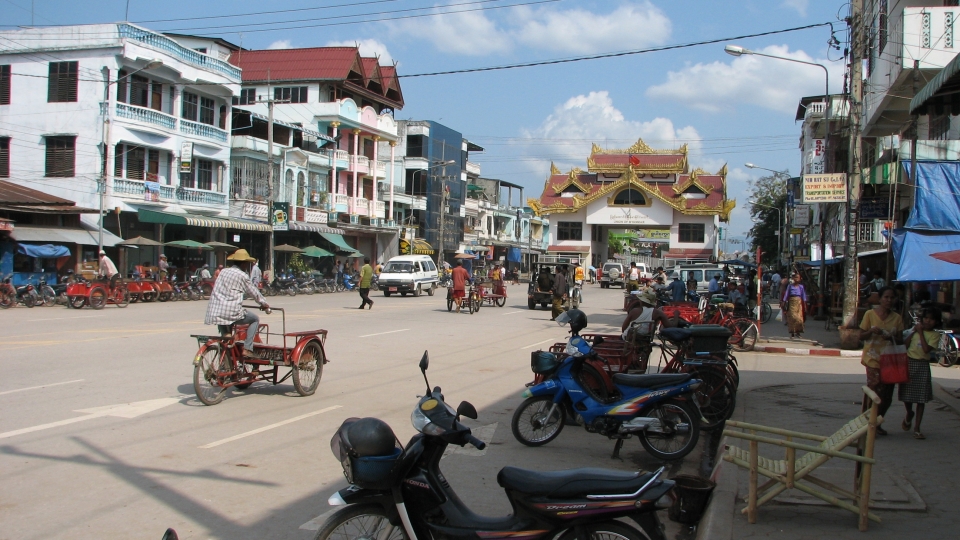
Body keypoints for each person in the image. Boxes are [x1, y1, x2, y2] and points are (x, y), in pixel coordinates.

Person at [851, 286, 904, 436]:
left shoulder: (897, 318)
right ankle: (866, 422)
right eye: (886, 297)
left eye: (891, 297)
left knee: (886, 395)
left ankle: (877, 421)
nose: (888, 300)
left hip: (890, 361)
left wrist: (890, 337)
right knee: (874, 390)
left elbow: (901, 340)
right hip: (872, 358)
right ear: (880, 299)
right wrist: (870, 332)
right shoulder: (870, 314)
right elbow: (861, 336)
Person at [204, 249, 269, 359]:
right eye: (247, 264)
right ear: (243, 264)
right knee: (255, 319)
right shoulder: (242, 276)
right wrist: (264, 304)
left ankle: (225, 362)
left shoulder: (223, 272)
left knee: (226, 337)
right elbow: (254, 293)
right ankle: (248, 348)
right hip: (231, 312)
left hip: (215, 311)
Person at [900, 308, 940, 440]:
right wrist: (913, 332)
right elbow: (905, 345)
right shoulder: (915, 331)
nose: (928, 321)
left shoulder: (934, 335)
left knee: (921, 399)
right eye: (926, 318)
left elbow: (926, 349)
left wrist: (921, 333)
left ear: (936, 322)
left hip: (922, 365)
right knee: (907, 395)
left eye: (931, 319)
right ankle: (909, 412)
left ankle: (917, 427)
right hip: (910, 363)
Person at [781, 273, 808, 337]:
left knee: (799, 319)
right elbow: (786, 294)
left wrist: (805, 305)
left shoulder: (801, 287)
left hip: (798, 304)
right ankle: (792, 332)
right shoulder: (790, 286)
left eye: (798, 278)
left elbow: (803, 296)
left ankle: (798, 332)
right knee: (792, 318)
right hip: (791, 303)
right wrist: (783, 302)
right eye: (795, 277)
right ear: (793, 278)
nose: (796, 279)